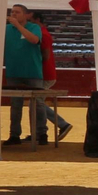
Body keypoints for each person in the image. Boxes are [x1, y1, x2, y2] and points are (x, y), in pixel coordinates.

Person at [29, 11, 73, 144]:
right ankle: (40, 132)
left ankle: (61, 124)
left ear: (37, 20)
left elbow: (45, 56)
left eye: (30, 20)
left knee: (37, 103)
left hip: (44, 74)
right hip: (45, 74)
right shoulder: (42, 32)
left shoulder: (42, 34)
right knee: (36, 103)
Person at [3, 4, 44, 146]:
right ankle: (14, 134)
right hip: (13, 72)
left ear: (25, 15)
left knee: (38, 104)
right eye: (12, 12)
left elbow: (34, 40)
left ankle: (41, 133)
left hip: (32, 71)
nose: (14, 14)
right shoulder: (6, 30)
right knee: (15, 105)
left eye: (17, 12)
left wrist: (19, 26)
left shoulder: (34, 27)